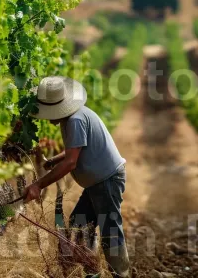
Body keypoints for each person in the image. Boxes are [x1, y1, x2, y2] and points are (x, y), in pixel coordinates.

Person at [22, 76, 131, 278]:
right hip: (97, 182)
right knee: (79, 222)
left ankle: (120, 274)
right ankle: (92, 269)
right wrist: (54, 160)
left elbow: (72, 162)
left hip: (106, 180)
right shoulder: (73, 117)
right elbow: (77, 150)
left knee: (110, 229)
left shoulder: (75, 120)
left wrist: (38, 184)